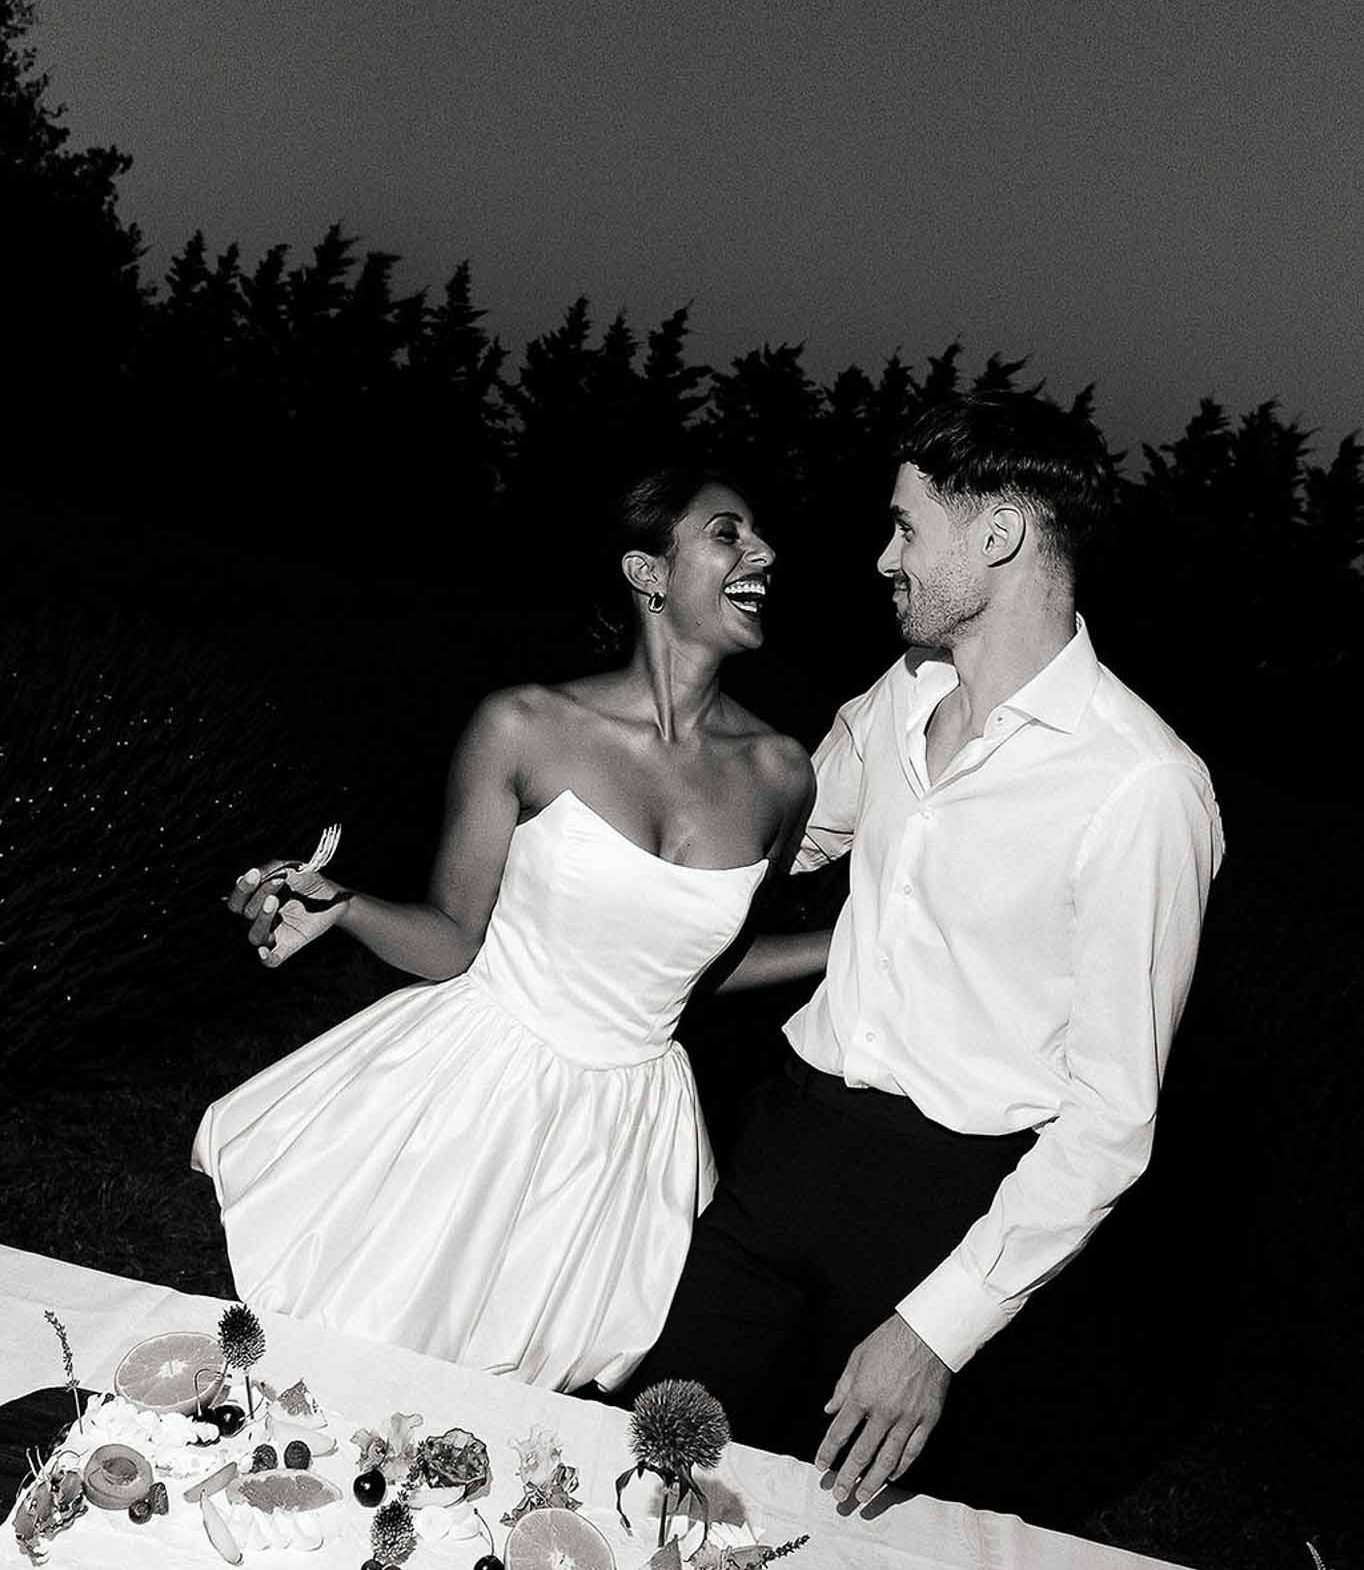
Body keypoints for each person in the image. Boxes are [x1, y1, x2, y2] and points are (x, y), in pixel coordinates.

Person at [627, 391, 1224, 1508]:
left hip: (940, 1207)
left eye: (906, 527)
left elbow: (1108, 1124)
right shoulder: (902, 692)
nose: (880, 557)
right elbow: (782, 842)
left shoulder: (1141, 787)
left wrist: (933, 1331)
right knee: (658, 1462)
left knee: (827, 1553)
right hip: (784, 1143)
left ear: (995, 536)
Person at [192, 466, 826, 1392]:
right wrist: (351, 908)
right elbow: (453, 937)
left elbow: (700, 964)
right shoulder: (524, 725)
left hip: (622, 1137)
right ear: (648, 573)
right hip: (477, 1092)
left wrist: (852, 943)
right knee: (332, 1371)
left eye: (759, 536)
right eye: (729, 533)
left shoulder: (781, 773)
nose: (762, 553)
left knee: (504, 1417)